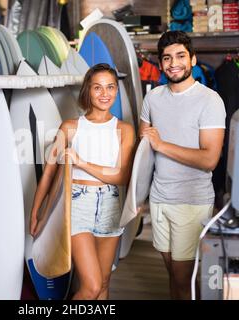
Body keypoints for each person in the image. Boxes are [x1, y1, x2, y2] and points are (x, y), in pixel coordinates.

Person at [30, 63, 135, 300]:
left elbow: (122, 176)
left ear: (117, 91)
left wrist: (80, 161)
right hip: (76, 204)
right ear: (88, 90)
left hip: (110, 204)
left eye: (110, 87)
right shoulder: (69, 128)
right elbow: (48, 174)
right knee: (92, 286)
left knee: (104, 282)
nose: (104, 93)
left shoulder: (124, 129)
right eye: (98, 87)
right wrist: (36, 212)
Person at [140, 31, 226, 300]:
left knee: (182, 277)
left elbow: (209, 159)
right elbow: (143, 151)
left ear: (193, 59)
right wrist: (135, 196)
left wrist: (162, 144)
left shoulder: (210, 100)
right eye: (167, 58)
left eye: (180, 56)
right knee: (174, 275)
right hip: (159, 199)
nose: (173, 63)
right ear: (161, 63)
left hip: (191, 201)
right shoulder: (152, 98)